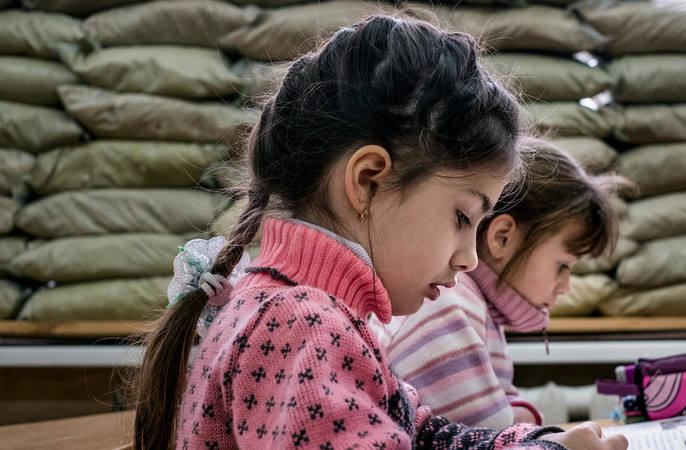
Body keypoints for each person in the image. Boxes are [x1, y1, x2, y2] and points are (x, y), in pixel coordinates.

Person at [132, 13, 628, 450]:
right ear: (368, 180)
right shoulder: (301, 323)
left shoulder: (312, 311)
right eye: (462, 218)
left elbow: (427, 436)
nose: (470, 259)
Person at [376, 142, 627, 429]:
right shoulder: (450, 304)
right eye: (562, 266)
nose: (566, 287)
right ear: (502, 238)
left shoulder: (475, 306)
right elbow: (490, 439)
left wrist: (516, 414)